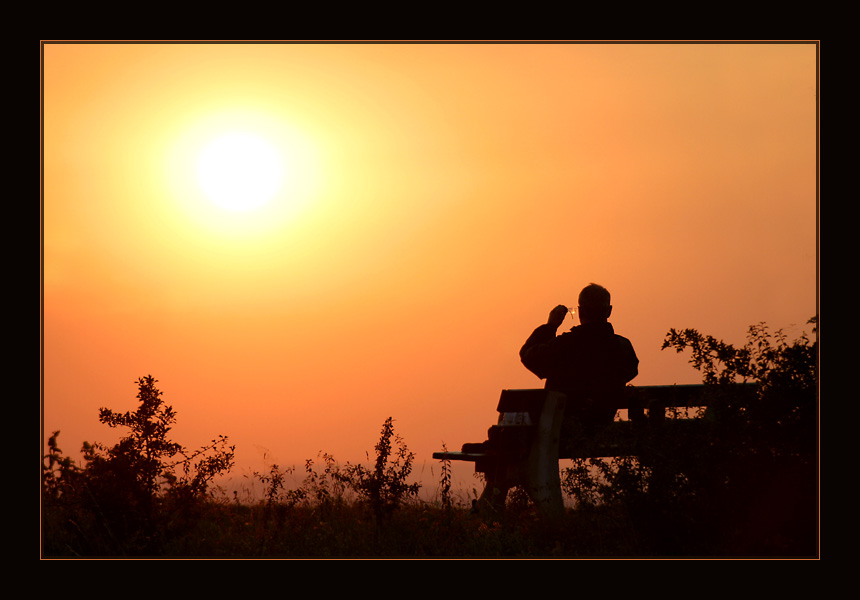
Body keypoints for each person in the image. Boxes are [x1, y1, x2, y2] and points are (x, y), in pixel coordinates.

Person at [520, 283, 639, 434]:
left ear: (580, 311)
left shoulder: (565, 345)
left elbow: (528, 356)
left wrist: (550, 326)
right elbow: (631, 371)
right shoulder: (623, 347)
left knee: (514, 415)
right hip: (602, 428)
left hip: (562, 430)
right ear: (608, 311)